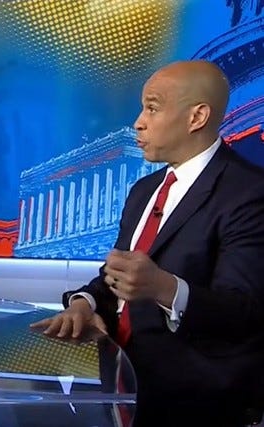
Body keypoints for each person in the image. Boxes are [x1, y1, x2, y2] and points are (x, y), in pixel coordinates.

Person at [31, 60, 264, 426]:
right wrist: (84, 303)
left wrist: (164, 288)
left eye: (152, 109)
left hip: (196, 407)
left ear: (197, 117)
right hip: (122, 389)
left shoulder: (249, 192)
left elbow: (244, 312)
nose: (138, 122)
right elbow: (117, 278)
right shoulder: (144, 191)